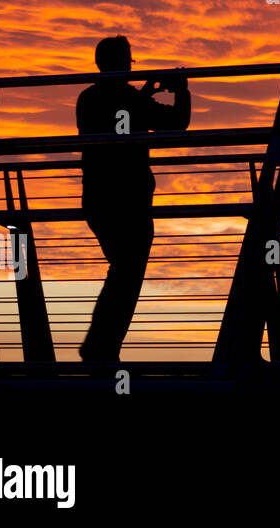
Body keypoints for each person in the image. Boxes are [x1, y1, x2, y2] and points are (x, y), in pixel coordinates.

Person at [77, 36, 190, 362]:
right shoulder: (128, 98)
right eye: (128, 61)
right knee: (127, 272)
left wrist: (143, 93)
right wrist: (181, 90)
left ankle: (101, 346)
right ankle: (101, 347)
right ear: (123, 64)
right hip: (131, 200)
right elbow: (175, 124)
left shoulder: (87, 97)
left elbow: (120, 120)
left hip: (97, 198)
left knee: (122, 270)